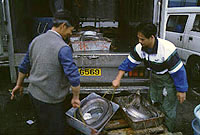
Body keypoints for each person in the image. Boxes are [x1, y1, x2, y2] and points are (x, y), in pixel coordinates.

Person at [10, 10, 81, 135]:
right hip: (51, 101)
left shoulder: (36, 40)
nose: (71, 33)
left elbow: (24, 66)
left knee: (42, 128)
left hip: (34, 95)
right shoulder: (63, 48)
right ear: (64, 25)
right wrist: (75, 97)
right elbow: (73, 77)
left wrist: (19, 84)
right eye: (71, 30)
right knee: (56, 130)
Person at [112, 22, 188, 132]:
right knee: (154, 104)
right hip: (155, 78)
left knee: (168, 109)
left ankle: (168, 131)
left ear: (151, 37)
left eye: (142, 39)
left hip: (169, 80)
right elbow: (127, 63)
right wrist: (117, 79)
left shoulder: (167, 50)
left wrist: (181, 90)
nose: (139, 41)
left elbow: (179, 72)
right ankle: (155, 129)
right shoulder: (140, 48)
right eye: (138, 38)